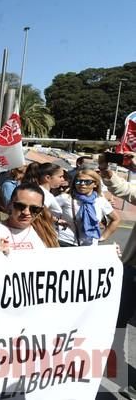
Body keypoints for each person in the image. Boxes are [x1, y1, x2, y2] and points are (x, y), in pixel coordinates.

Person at [98, 152, 136, 398]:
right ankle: (116, 366)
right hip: (132, 268)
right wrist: (107, 171)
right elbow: (126, 191)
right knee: (118, 318)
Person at [0, 183, 59, 254]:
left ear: (41, 210)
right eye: (20, 206)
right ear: (10, 204)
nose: (26, 212)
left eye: (34, 209)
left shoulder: (46, 233)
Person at [56, 168, 120, 247]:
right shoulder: (65, 198)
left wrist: (103, 237)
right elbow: (43, 212)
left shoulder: (101, 201)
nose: (82, 184)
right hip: (65, 242)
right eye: (78, 181)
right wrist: (56, 220)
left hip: (90, 245)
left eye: (87, 182)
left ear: (95, 184)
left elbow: (116, 219)